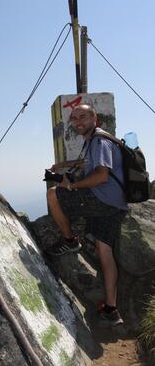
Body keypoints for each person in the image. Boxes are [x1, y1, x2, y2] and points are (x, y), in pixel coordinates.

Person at [47, 103, 127, 326]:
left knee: (54, 194)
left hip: (101, 199)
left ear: (94, 118)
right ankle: (112, 309)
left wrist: (72, 186)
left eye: (83, 116)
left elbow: (101, 175)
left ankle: (70, 240)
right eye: (74, 118)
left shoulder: (99, 141)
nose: (78, 121)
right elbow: (90, 162)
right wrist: (66, 164)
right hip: (116, 204)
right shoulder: (100, 140)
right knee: (105, 250)